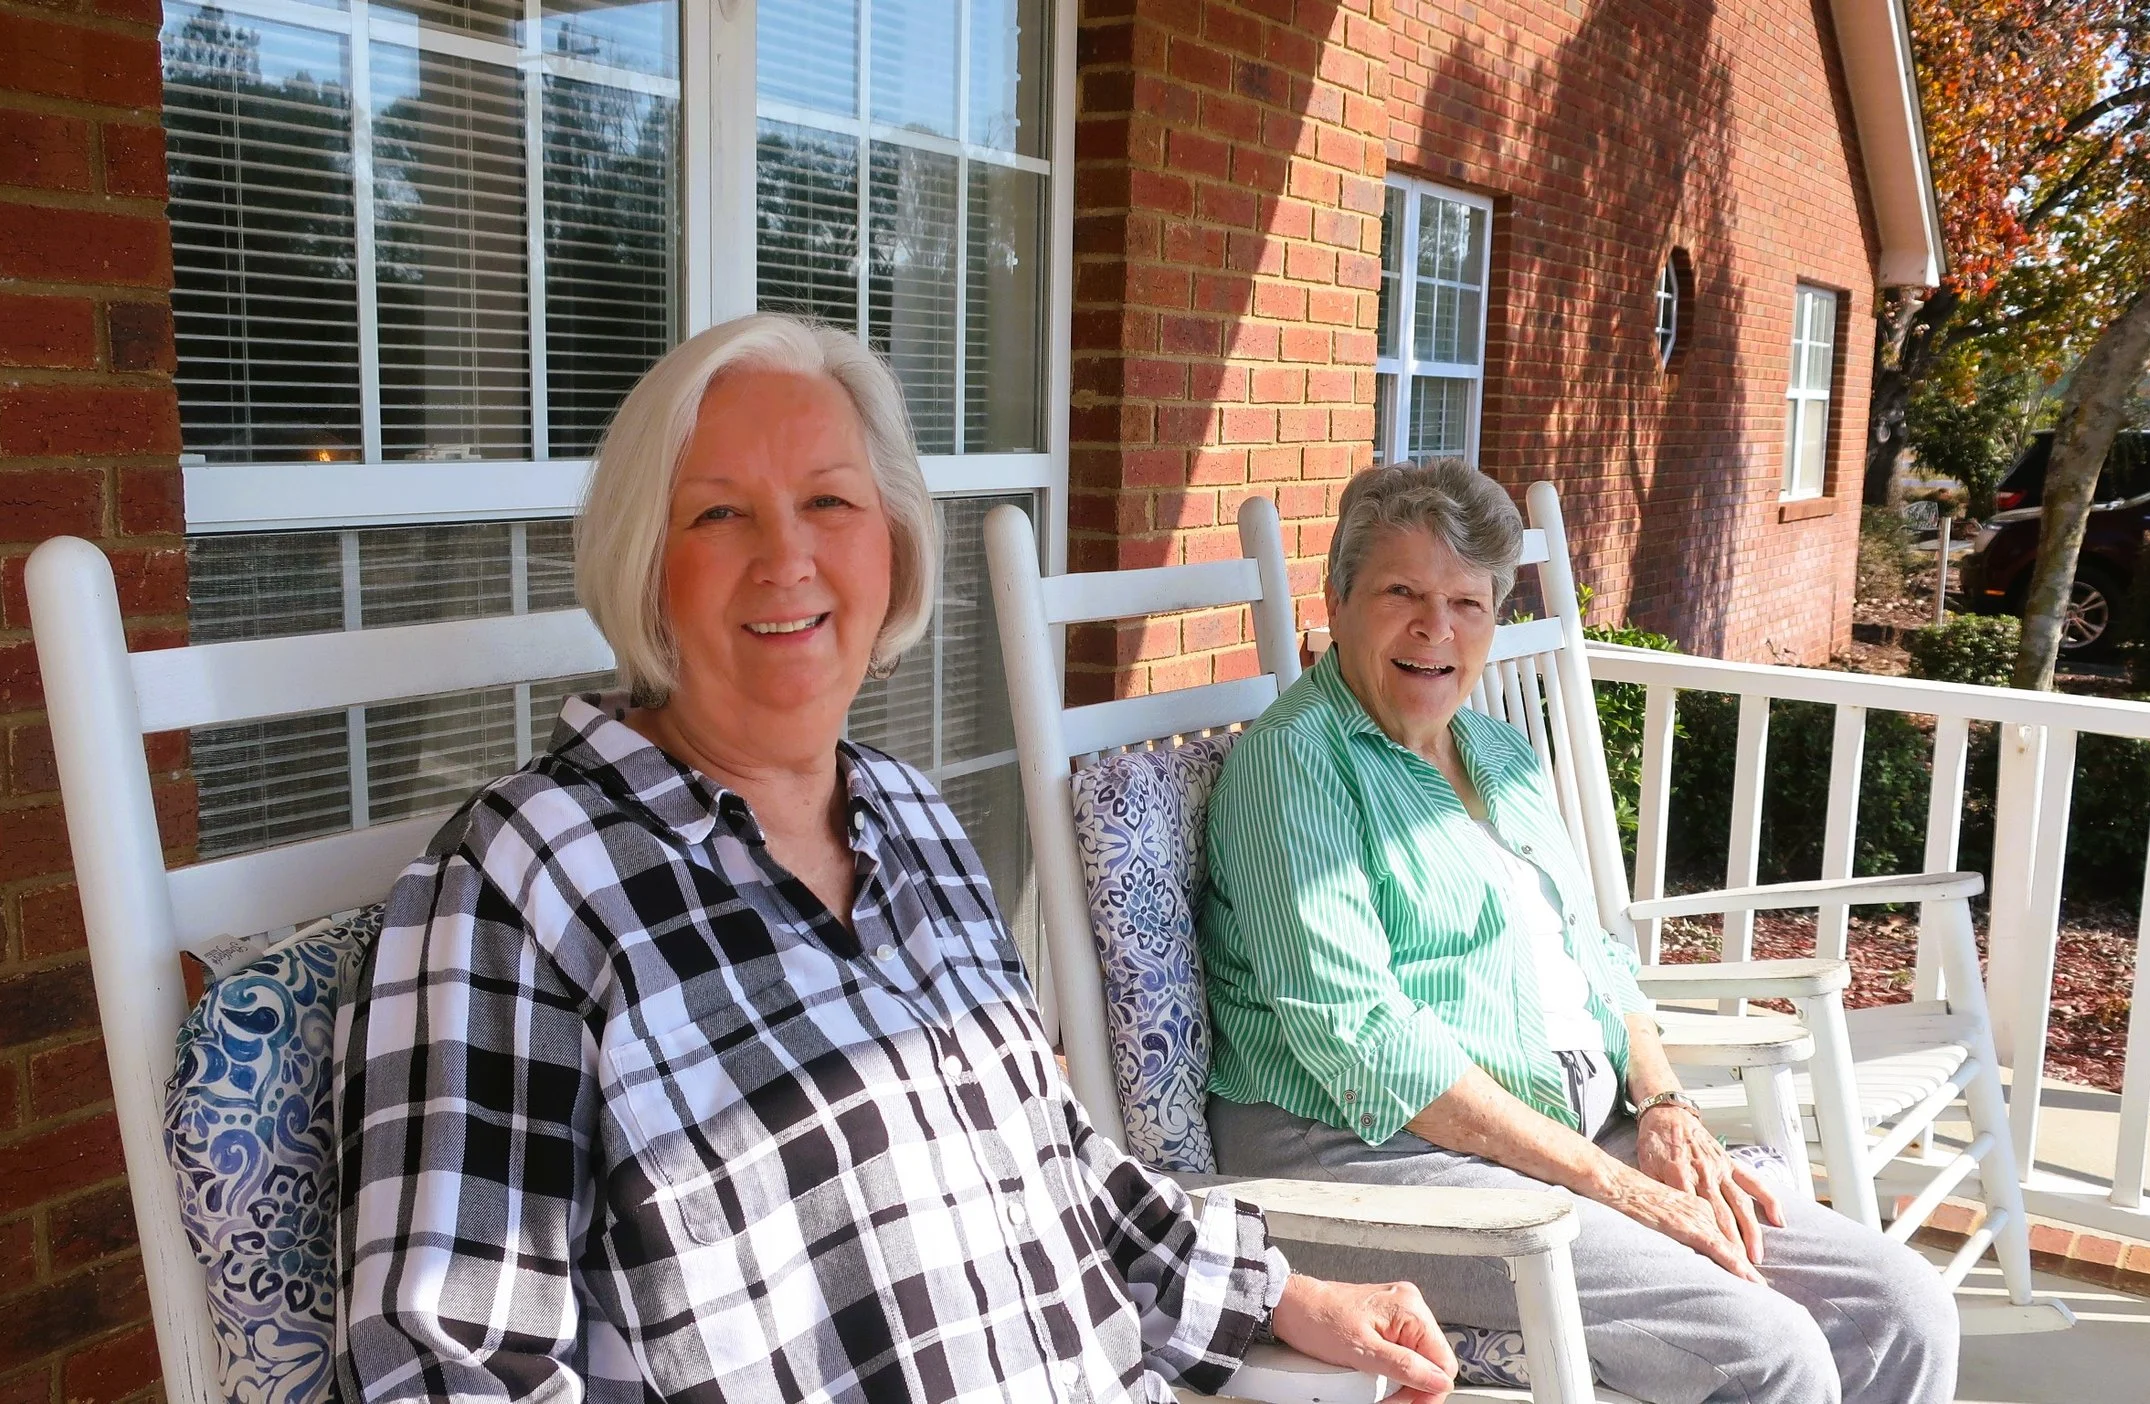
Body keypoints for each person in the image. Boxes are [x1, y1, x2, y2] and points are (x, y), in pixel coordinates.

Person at [336, 313, 1460, 1404]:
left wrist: (1278, 1293)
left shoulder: (910, 815)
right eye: (719, 514)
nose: (787, 558)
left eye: (829, 501)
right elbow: (447, 1364)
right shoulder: (519, 885)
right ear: (644, 566)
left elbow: (1047, 1156)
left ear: (893, 546)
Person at [1199, 459, 1962, 1404]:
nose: (1436, 628)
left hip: (1556, 1137)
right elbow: (1365, 1045)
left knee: (1903, 1304)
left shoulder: (1500, 753)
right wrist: (1619, 1188)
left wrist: (1666, 1108)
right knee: (1764, 1351)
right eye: (1403, 592)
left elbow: (1594, 953)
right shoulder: (1295, 767)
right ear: (1339, 598)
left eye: (1467, 603)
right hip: (1368, 1159)